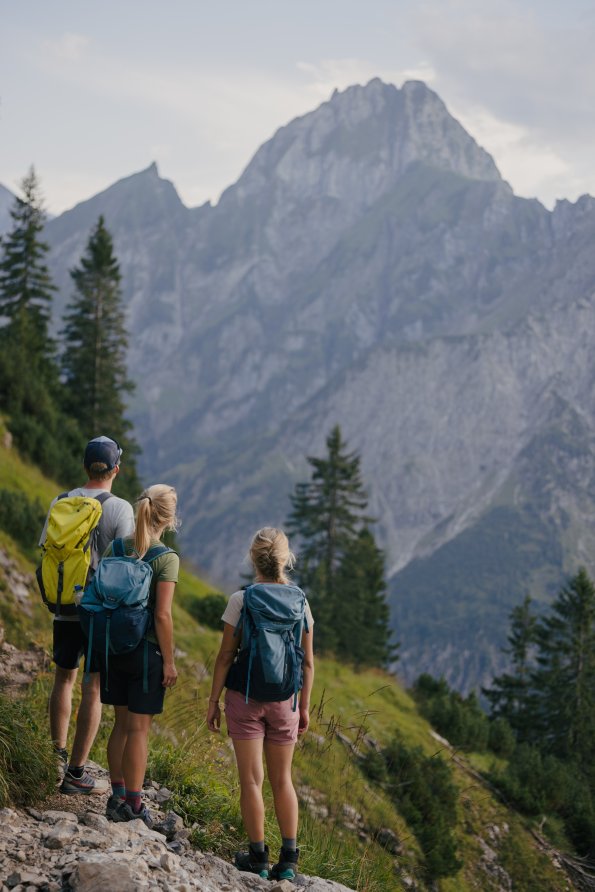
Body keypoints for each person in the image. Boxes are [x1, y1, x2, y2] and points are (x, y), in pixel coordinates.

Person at [207, 527, 315, 883]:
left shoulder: (242, 599)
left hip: (245, 698)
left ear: (253, 559)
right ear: (286, 560)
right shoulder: (300, 601)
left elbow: (225, 656)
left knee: (252, 781)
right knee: (282, 779)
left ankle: (258, 858)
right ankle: (289, 860)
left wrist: (213, 702)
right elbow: (309, 663)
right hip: (286, 700)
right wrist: (304, 707)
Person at [39, 436, 134, 794]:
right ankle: (76, 774)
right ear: (116, 470)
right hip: (98, 612)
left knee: (64, 678)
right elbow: (127, 560)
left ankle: (54, 760)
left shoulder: (61, 501)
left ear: (84, 467)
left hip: (64, 606)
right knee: (92, 688)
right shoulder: (119, 508)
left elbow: (46, 549)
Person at [103, 484, 180, 827]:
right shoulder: (165, 558)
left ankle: (117, 796)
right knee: (139, 730)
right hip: (145, 652)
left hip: (112, 646)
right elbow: (162, 615)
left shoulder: (116, 546)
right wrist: (170, 660)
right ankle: (134, 805)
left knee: (120, 723)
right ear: (169, 518)